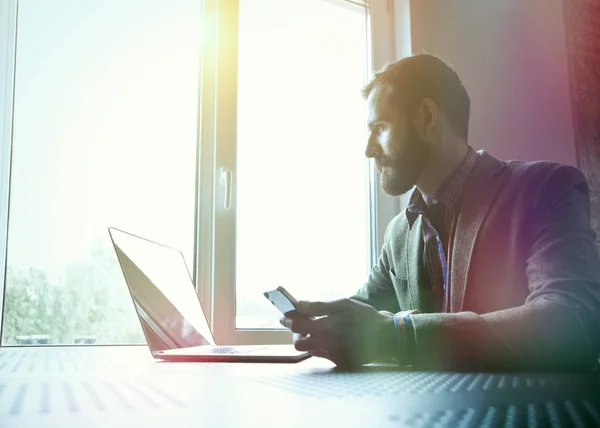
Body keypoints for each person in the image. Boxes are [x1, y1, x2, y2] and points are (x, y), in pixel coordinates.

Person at [281, 54, 600, 371]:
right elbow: (362, 316)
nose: (368, 149)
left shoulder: (546, 188)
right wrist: (321, 326)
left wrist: (399, 335)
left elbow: (573, 319)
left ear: (426, 117)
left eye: (379, 127)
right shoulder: (398, 234)